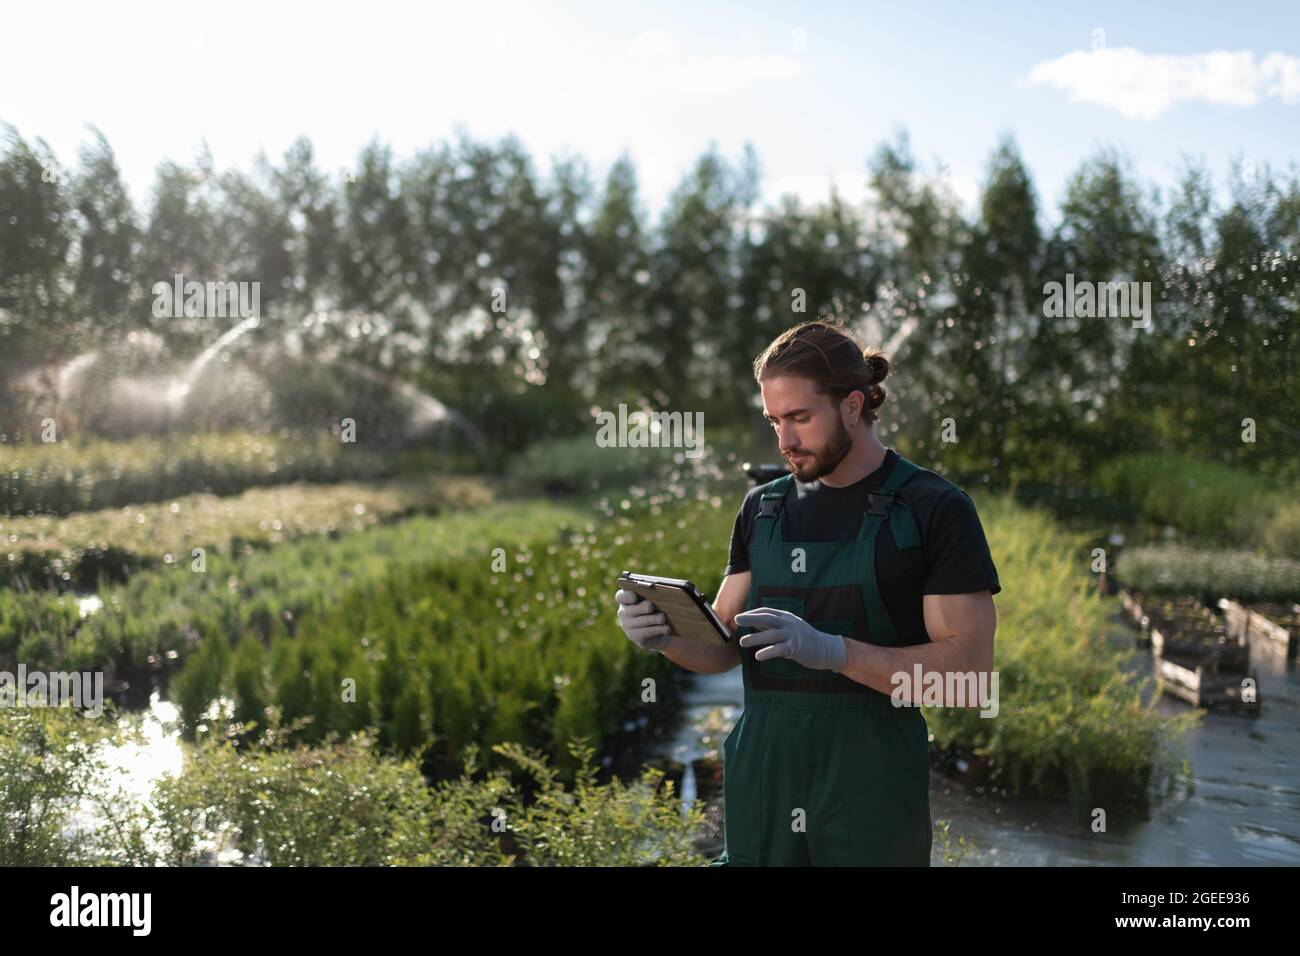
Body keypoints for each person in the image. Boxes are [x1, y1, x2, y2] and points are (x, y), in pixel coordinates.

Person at [615, 320, 1000, 866]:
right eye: (774, 420)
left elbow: (967, 677)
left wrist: (833, 652)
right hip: (763, 788)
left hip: (869, 793)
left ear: (852, 404)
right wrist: (665, 635)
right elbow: (724, 645)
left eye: (800, 417)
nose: (784, 441)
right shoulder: (763, 509)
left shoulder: (932, 509)